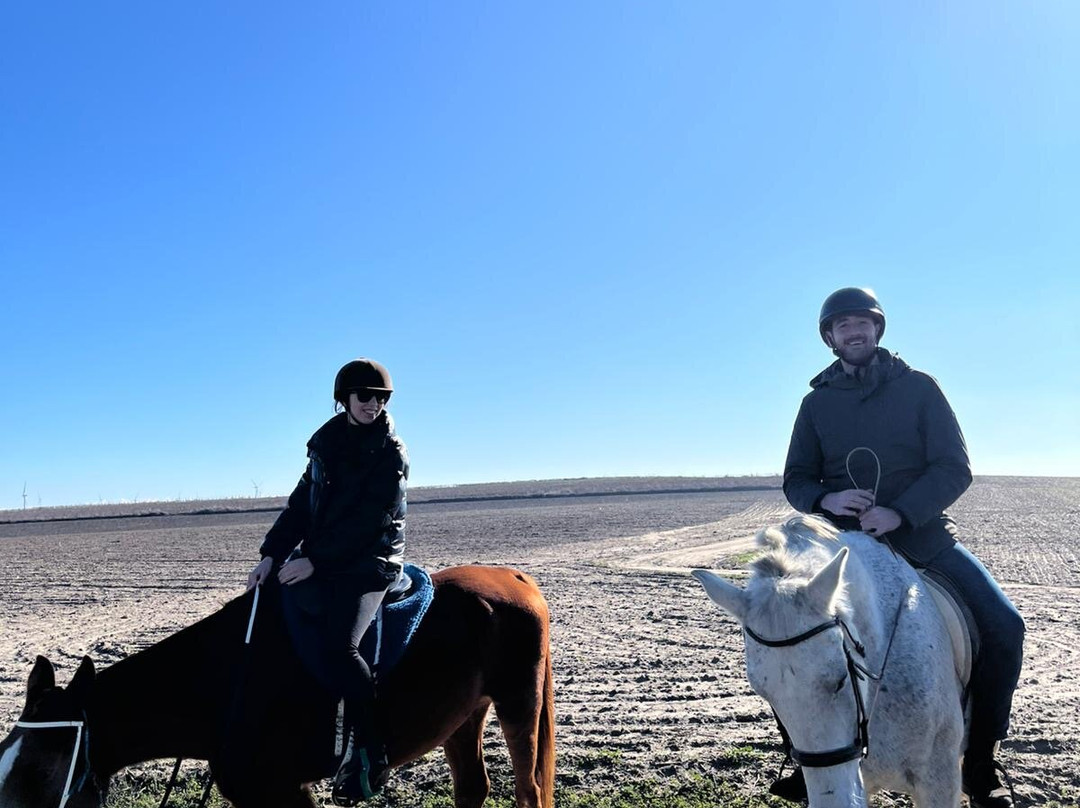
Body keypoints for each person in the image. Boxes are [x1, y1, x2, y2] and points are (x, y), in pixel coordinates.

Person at [775, 287, 1024, 808]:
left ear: (878, 328)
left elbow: (955, 468)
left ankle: (979, 764)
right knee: (787, 634)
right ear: (829, 338)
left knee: (1004, 626)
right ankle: (803, 760)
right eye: (841, 326)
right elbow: (796, 479)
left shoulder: (920, 388)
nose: (853, 331)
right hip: (844, 546)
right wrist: (829, 496)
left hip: (923, 537)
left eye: (861, 322)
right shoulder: (816, 405)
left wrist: (902, 512)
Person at [246, 358, 409, 806]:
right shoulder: (326, 445)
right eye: (364, 396)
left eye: (380, 398)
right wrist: (271, 554)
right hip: (325, 557)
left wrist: (314, 561)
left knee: (341, 646)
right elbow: (302, 504)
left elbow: (369, 521)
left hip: (370, 562)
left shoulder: (391, 452)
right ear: (344, 400)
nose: (373, 405)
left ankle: (372, 752)